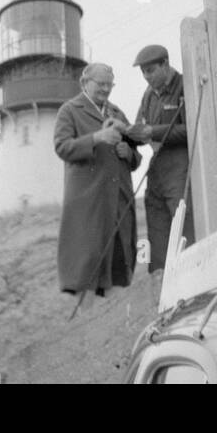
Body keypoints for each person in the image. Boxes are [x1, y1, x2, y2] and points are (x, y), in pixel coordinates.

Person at [53, 62, 141, 296]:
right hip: (88, 198)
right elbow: (62, 147)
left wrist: (128, 153)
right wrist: (96, 138)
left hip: (118, 195)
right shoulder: (69, 110)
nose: (105, 89)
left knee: (119, 256)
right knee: (86, 257)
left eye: (109, 85)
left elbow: (136, 156)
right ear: (84, 83)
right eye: (100, 84)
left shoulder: (117, 113)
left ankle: (109, 308)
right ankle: (82, 311)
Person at [125, 45, 196, 274]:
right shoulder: (148, 95)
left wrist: (152, 132)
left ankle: (193, 277)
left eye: (151, 70)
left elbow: (192, 129)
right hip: (157, 167)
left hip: (181, 165)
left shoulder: (186, 86)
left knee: (183, 221)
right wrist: (125, 132)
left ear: (165, 64)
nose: (147, 76)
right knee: (155, 219)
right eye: (143, 72)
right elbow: (140, 127)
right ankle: (160, 279)